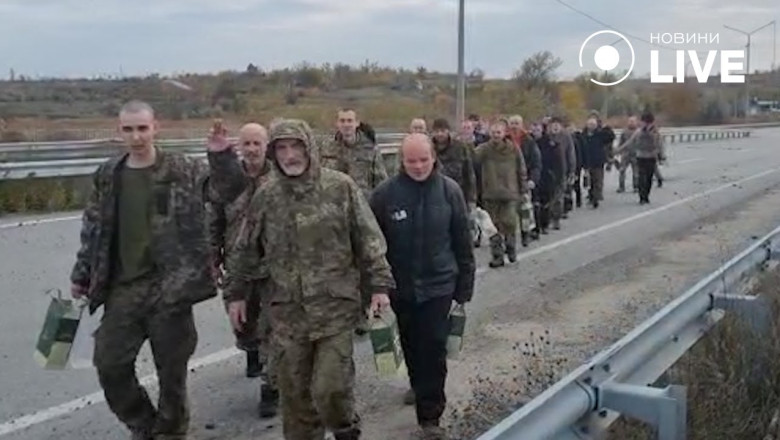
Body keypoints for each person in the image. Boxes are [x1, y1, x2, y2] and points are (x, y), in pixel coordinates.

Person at [223, 119, 395, 440]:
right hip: (287, 316)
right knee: (296, 400)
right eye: (282, 148)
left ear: (309, 148)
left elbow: (369, 239)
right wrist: (235, 294)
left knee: (330, 389)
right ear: (274, 154)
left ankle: (345, 428)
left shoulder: (339, 187)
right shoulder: (266, 196)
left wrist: (379, 287)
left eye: (296, 147)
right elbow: (244, 249)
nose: (290, 156)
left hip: (335, 310)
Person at [69, 100, 216, 440]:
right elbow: (93, 226)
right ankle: (144, 424)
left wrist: (221, 157)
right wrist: (82, 273)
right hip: (123, 289)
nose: (136, 137)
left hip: (171, 287)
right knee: (110, 365)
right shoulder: (109, 175)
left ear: (155, 128)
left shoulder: (182, 169)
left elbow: (224, 191)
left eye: (142, 128)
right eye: (129, 129)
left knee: (172, 375)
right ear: (119, 131)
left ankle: (171, 432)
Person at [369, 133, 476, 440]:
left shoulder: (449, 191)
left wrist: (464, 290)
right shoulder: (384, 195)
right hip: (399, 289)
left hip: (439, 287)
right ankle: (419, 388)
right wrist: (374, 287)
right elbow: (370, 244)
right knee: (411, 347)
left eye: (423, 160)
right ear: (401, 162)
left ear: (433, 158)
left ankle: (431, 417)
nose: (418, 166)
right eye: (411, 161)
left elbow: (463, 243)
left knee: (433, 348)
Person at [203, 122, 280, 417]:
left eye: (257, 143)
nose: (251, 149)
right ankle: (252, 350)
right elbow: (213, 219)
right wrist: (213, 256)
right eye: (246, 144)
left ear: (266, 145)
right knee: (244, 323)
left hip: (272, 263)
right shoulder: (225, 179)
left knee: (274, 327)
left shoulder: (277, 177)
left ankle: (271, 388)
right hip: (238, 262)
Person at [321, 108, 389, 336]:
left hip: (363, 215)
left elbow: (381, 183)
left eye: (350, 121)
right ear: (337, 123)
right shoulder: (327, 148)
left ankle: (363, 310)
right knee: (339, 267)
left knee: (364, 267)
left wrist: (381, 214)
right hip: (334, 217)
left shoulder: (370, 149)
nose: (346, 125)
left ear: (357, 123)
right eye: (342, 120)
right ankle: (343, 312)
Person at [474, 120, 528, 267]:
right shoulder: (484, 150)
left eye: (499, 132)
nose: (496, 135)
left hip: (510, 193)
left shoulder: (513, 149)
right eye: (493, 132)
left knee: (510, 223)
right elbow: (471, 160)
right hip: (490, 194)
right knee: (492, 226)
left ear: (504, 133)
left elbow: (521, 169)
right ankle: (497, 255)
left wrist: (523, 189)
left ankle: (511, 249)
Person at [507, 115, 540, 245]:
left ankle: (526, 233)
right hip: (508, 181)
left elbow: (536, 162)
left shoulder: (529, 141)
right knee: (509, 212)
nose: (514, 126)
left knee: (524, 210)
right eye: (512, 123)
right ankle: (509, 238)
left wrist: (533, 179)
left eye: (517, 123)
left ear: (521, 125)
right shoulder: (505, 140)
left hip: (524, 179)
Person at [579, 116, 614, 208]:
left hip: (598, 161)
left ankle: (595, 199)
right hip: (587, 161)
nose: (592, 126)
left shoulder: (600, 134)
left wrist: (607, 128)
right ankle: (591, 196)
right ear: (587, 125)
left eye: (593, 124)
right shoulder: (583, 135)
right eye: (590, 124)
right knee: (589, 181)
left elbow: (611, 137)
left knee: (597, 180)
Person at [634, 112, 665, 204]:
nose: (645, 124)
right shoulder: (638, 132)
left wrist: (661, 155)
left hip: (651, 157)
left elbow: (659, 144)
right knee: (641, 177)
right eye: (644, 122)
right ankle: (642, 197)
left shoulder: (655, 132)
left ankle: (646, 195)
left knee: (649, 178)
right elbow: (632, 142)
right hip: (640, 156)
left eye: (647, 122)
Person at [616, 116, 640, 193]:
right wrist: (618, 151)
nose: (631, 123)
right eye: (630, 121)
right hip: (625, 154)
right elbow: (621, 142)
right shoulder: (624, 132)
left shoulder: (639, 132)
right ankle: (621, 186)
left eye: (633, 121)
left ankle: (636, 186)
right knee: (622, 170)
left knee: (636, 172)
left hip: (636, 154)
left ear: (636, 122)